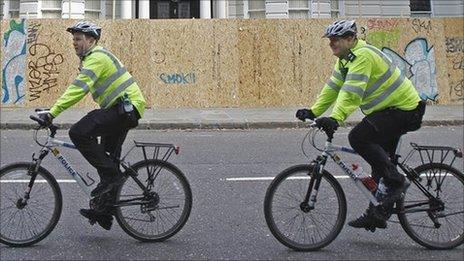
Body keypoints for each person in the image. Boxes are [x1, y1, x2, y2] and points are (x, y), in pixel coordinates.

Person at [296, 20, 426, 231]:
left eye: (335, 39)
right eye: (330, 40)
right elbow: (334, 87)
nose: (331, 44)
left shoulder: (362, 56)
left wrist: (336, 118)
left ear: (350, 39)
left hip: (405, 110)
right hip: (391, 110)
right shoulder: (345, 60)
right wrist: (314, 111)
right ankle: (377, 214)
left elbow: (352, 93)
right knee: (380, 161)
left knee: (358, 137)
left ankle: (396, 181)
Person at [39, 21, 146, 230]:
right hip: (122, 110)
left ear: (91, 40)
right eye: (73, 39)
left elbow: (79, 88)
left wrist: (52, 113)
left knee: (78, 132)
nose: (74, 43)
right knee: (107, 161)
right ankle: (104, 213)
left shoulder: (97, 58)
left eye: (78, 39)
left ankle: (112, 178)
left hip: (125, 109)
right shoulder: (93, 58)